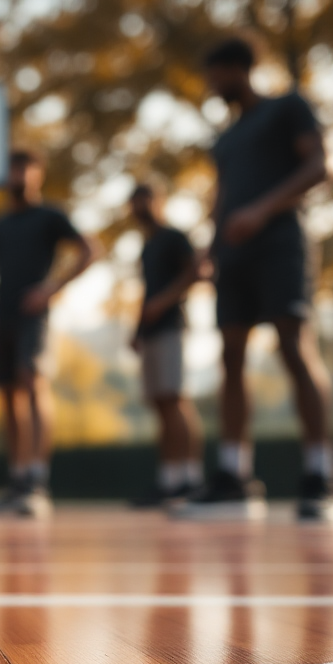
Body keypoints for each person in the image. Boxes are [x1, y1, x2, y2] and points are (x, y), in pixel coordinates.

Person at [182, 37, 333, 521]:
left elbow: (322, 166)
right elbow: (223, 196)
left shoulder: (287, 107)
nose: (211, 84)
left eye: (216, 74)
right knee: (230, 357)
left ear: (239, 68)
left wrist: (262, 210)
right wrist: (208, 249)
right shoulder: (225, 139)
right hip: (233, 256)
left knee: (294, 347)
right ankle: (234, 476)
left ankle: (321, 476)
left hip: (280, 244)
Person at [0, 149, 99, 516]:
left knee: (33, 381)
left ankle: (38, 481)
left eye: (25, 168)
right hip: (3, 316)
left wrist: (51, 289)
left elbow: (90, 251)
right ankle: (17, 479)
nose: (19, 175)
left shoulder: (50, 217)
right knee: (9, 395)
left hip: (34, 317)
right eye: (13, 168)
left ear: (38, 174)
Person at [127, 182, 205, 507]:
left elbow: (198, 271)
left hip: (172, 327)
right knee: (160, 404)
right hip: (151, 332)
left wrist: (164, 301)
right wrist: (137, 329)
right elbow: (146, 294)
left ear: (158, 202)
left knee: (175, 399)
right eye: (135, 202)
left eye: (144, 200)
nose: (139, 207)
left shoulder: (174, 237)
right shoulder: (147, 247)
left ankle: (191, 478)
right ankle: (169, 479)